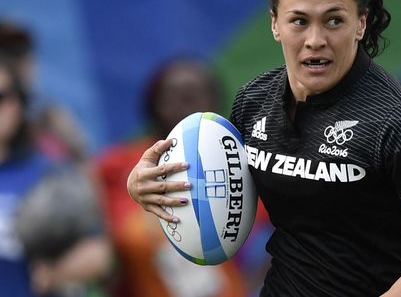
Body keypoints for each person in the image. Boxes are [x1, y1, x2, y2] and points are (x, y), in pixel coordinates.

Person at [127, 0, 401, 296]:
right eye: (299, 21)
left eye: (333, 20)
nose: (315, 39)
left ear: (360, 22)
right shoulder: (253, 101)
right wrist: (144, 184)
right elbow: (217, 187)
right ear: (275, 25)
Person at [95, 59, 249, 297]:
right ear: (153, 105)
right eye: (171, 96)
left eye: (194, 96)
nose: (182, 106)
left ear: (215, 103)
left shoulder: (238, 164)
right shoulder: (115, 166)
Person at [0, 55, 111, 296]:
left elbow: (99, 253)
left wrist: (57, 272)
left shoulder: (50, 174)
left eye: (2, 97)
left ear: (19, 103)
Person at [0, 20, 89, 167]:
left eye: (20, 51)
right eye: (6, 52)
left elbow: (85, 168)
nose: (15, 62)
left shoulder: (52, 117)